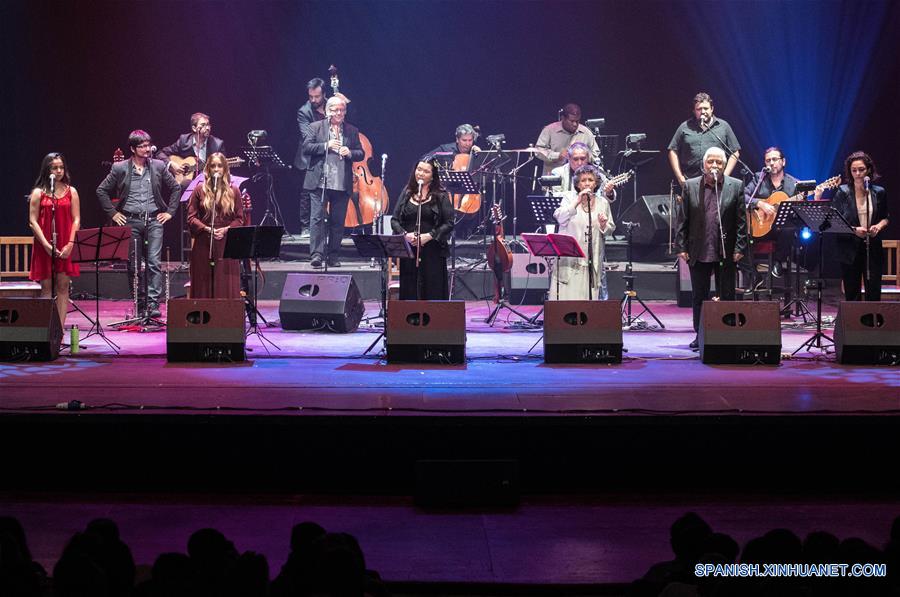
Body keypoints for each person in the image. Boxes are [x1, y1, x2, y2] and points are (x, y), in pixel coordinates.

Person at [97, 130, 181, 318]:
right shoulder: (120, 168)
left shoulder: (158, 166)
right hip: (130, 221)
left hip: (153, 220)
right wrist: (113, 213)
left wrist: (169, 212)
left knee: (153, 262)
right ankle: (139, 301)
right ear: (133, 148)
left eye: (148, 144)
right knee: (133, 265)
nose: (147, 149)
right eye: (142, 146)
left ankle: (152, 304)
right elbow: (101, 190)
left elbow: (176, 187)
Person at [675, 147, 747, 350]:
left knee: (727, 293)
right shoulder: (690, 186)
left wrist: (739, 247)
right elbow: (682, 220)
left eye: (719, 162)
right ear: (703, 165)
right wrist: (680, 246)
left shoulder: (736, 186)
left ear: (724, 166)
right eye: (711, 162)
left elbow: (742, 221)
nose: (714, 166)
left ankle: (727, 333)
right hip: (699, 248)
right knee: (699, 294)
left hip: (726, 249)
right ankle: (701, 335)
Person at [301, 96, 364, 269]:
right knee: (317, 219)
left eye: (342, 110)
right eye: (336, 109)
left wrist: (349, 152)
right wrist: (326, 145)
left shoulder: (351, 130)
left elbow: (361, 153)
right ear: (328, 110)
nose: (339, 113)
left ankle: (333, 255)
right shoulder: (315, 127)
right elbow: (306, 148)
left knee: (338, 221)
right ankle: (316, 255)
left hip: (341, 182)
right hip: (319, 182)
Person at [550, 143, 617, 299]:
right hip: (570, 258)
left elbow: (610, 229)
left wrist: (603, 225)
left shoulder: (602, 203)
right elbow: (560, 217)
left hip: (591, 257)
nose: (587, 183)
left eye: (590, 180)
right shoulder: (568, 198)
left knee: (589, 297)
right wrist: (577, 201)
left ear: (596, 183)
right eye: (583, 181)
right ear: (577, 184)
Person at [828, 151, 890, 301]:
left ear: (868, 169)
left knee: (873, 290)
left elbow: (885, 218)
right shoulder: (843, 192)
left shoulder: (878, 192)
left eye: (861, 169)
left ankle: (872, 322)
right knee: (852, 290)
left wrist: (878, 227)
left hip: (872, 246)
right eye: (854, 170)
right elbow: (834, 221)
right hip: (850, 248)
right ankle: (854, 323)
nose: (857, 173)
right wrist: (854, 230)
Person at [28, 152, 81, 327]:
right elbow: (32, 221)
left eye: (61, 167)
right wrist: (45, 244)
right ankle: (46, 329)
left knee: (63, 286)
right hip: (44, 245)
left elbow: (76, 219)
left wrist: (71, 244)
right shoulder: (38, 193)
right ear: (47, 169)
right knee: (47, 287)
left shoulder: (71, 191)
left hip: (66, 243)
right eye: (54, 167)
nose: (59, 171)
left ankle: (59, 330)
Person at [391, 160, 455, 300]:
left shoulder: (441, 195)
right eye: (419, 169)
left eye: (426, 171)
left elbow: (449, 222)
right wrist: (404, 235)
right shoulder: (407, 192)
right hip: (410, 250)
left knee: (432, 288)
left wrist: (429, 236)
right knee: (410, 289)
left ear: (433, 176)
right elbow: (394, 220)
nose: (420, 173)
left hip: (433, 250)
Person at [186, 153, 245, 299]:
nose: (216, 169)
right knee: (203, 281)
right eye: (213, 166)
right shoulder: (199, 189)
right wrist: (206, 228)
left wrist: (226, 229)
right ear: (208, 169)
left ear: (225, 169)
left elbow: (240, 219)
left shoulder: (234, 190)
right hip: (204, 241)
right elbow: (191, 218)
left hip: (226, 243)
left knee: (225, 283)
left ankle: (225, 316)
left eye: (219, 166)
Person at [668, 92, 741, 187]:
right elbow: (672, 151)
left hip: (715, 181)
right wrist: (680, 177)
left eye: (706, 108)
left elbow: (735, 152)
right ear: (694, 111)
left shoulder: (723, 126)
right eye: (699, 109)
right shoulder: (684, 127)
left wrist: (725, 176)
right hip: (690, 181)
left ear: (712, 109)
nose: (703, 112)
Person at [743, 146, 794, 278]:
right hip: (760, 226)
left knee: (789, 228)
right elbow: (742, 196)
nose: (771, 163)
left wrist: (816, 195)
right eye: (768, 160)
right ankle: (754, 276)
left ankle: (778, 261)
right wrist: (759, 203)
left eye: (774, 159)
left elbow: (801, 208)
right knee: (739, 234)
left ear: (783, 162)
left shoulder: (793, 184)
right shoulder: (758, 178)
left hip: (780, 230)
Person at [293, 78, 327, 237]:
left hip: (329, 156)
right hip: (309, 157)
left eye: (317, 97)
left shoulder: (332, 105)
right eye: (311, 96)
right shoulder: (304, 111)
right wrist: (329, 143)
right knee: (307, 193)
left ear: (324, 94)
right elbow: (308, 136)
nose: (313, 100)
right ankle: (305, 227)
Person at [156, 112, 227, 185]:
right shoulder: (184, 141)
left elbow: (224, 169)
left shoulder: (217, 144)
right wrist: (171, 164)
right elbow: (160, 153)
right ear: (194, 128)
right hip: (186, 185)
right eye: (203, 125)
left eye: (208, 124)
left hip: (209, 183)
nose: (208, 128)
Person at [534, 103, 600, 175]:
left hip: (579, 179)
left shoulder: (586, 132)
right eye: (572, 121)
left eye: (577, 121)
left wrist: (583, 156)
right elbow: (538, 151)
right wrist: (557, 156)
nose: (575, 124)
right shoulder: (549, 130)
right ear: (563, 118)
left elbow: (595, 153)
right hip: (554, 176)